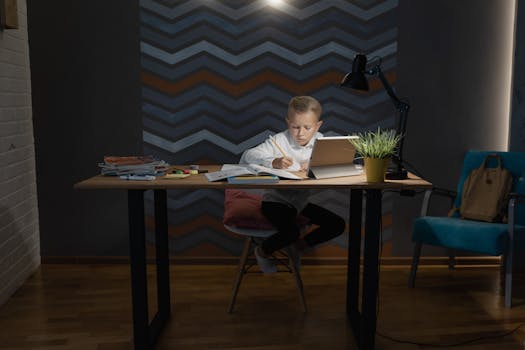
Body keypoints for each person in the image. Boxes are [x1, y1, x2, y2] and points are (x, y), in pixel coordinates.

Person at [239, 96, 346, 273]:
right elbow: (247, 156)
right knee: (291, 232)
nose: (301, 133)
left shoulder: (321, 142)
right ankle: (262, 251)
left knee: (337, 224)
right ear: (288, 122)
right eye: (295, 127)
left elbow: (332, 166)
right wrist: (274, 161)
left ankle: (298, 247)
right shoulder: (278, 141)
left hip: (300, 204)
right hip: (275, 202)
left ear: (318, 126)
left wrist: (317, 165)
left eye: (307, 127)